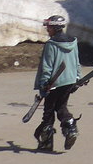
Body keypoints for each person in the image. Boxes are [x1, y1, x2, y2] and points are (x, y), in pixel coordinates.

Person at [33, 15, 82, 152]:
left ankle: (47, 141)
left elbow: (47, 66)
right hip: (69, 81)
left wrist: (44, 84)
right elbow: (76, 61)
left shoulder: (51, 44)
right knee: (61, 107)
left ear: (54, 28)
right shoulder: (73, 41)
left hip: (54, 83)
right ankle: (70, 127)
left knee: (48, 111)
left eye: (48, 27)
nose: (47, 30)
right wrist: (78, 78)